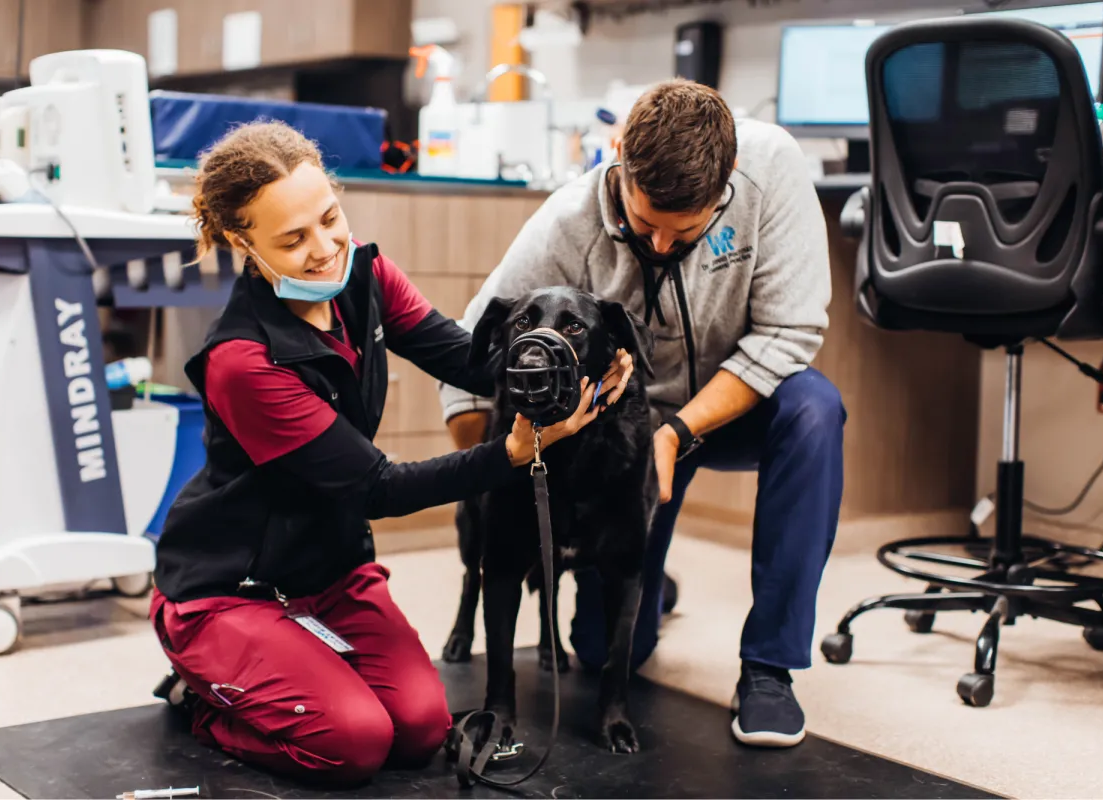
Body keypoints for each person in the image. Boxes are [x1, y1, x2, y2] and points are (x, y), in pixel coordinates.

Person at [148, 121, 633, 785]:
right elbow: (378, 489)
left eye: (329, 218)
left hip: (330, 575)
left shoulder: (366, 277)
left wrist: (567, 362)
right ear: (243, 242)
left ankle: (295, 670)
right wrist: (514, 453)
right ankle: (203, 696)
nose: (324, 249)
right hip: (232, 589)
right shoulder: (244, 363)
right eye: (294, 239)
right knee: (354, 742)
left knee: (420, 729)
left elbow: (469, 360)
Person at [439, 79, 845, 749]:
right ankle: (653, 583)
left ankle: (770, 670)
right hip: (616, 432)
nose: (657, 245)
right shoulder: (567, 221)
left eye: (682, 231)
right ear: (618, 155)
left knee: (815, 410)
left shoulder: (772, 167)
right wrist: (495, 476)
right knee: (603, 652)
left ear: (729, 177)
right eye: (643, 220)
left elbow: (791, 334)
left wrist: (678, 431)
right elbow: (474, 355)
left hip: (730, 405)